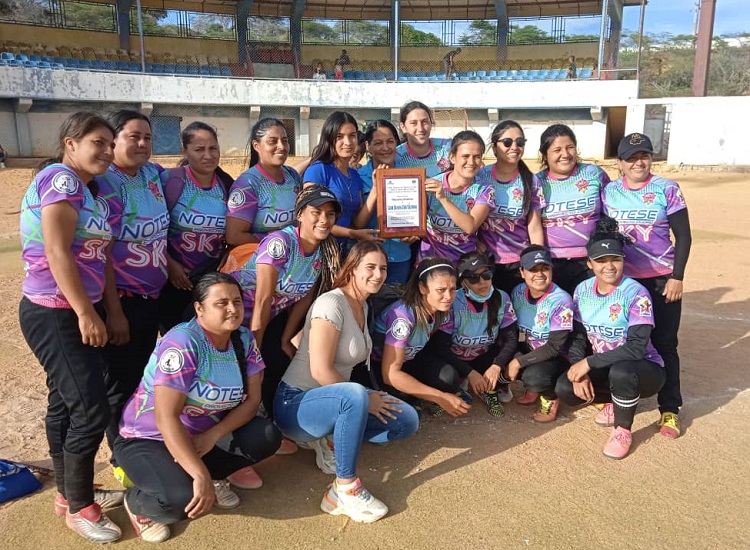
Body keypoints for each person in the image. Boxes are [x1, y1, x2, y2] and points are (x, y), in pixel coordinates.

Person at [19, 112, 124, 543]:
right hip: (56, 310)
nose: (105, 150)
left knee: (65, 402)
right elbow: (58, 252)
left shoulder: (87, 193)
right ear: (70, 143)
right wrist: (85, 312)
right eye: (97, 142)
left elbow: (100, 259)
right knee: (89, 407)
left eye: (108, 143)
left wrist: (108, 309)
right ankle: (80, 507)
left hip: (72, 307)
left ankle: (68, 491)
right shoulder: (61, 180)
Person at [113, 273, 282, 542]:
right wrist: (199, 474)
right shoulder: (183, 343)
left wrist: (212, 436)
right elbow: (165, 416)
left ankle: (207, 476)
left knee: (266, 436)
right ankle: (137, 502)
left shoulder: (242, 339)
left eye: (237, 302)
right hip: (148, 437)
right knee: (179, 501)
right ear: (199, 308)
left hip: (201, 435)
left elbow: (252, 402)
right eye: (222, 303)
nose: (232, 309)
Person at [274, 242, 419, 523]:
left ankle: (330, 437)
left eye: (383, 268)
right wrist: (366, 399)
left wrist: (365, 399)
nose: (378, 274)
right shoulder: (331, 302)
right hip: (296, 403)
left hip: (336, 399)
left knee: (407, 421)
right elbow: (319, 370)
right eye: (370, 267)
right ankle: (344, 490)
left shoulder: (363, 305)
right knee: (356, 395)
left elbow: (299, 339)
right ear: (351, 269)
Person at [95, 110, 170, 486]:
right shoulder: (104, 185)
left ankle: (144, 440)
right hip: (124, 299)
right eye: (133, 137)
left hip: (155, 292)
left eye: (147, 137)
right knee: (120, 383)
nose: (141, 144)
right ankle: (121, 456)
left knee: (146, 375)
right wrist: (113, 311)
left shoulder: (153, 174)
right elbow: (103, 250)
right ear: (113, 141)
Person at [223, 185, 342, 419]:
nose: (324, 220)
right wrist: (254, 350)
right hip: (232, 318)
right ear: (300, 215)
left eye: (330, 214)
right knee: (241, 370)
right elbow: (263, 298)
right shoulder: (280, 243)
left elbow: (305, 296)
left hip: (266, 320)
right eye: (316, 212)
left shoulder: (322, 250)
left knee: (278, 360)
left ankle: (270, 417)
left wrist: (286, 338)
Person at [602, 133, 692, 439]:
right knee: (622, 340)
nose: (639, 162)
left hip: (660, 279)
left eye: (644, 156)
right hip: (624, 282)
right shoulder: (610, 192)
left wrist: (677, 276)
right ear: (620, 164)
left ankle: (669, 408)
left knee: (665, 343)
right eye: (631, 158)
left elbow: (684, 235)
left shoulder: (667, 189)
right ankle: (617, 398)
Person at [555, 217, 665, 459]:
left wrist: (589, 363)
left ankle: (622, 429)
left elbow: (636, 348)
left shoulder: (636, 293)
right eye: (601, 260)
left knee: (623, 372)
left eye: (615, 259)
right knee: (565, 388)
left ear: (623, 260)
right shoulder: (582, 290)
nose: (609, 266)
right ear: (590, 263)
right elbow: (579, 335)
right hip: (607, 364)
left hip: (644, 369)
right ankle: (612, 402)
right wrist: (578, 365)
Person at [159, 122, 234, 332]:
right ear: (185, 150)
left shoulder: (228, 186)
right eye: (199, 149)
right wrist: (170, 263)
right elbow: (152, 228)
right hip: (172, 283)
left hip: (209, 283)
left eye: (213, 148)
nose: (208, 155)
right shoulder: (170, 181)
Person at [374, 258, 470, 417]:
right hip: (381, 367)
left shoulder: (439, 310)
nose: (448, 296)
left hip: (408, 360)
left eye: (452, 289)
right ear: (422, 287)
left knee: (448, 377)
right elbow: (390, 374)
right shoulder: (402, 316)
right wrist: (440, 397)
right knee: (402, 415)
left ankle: (414, 395)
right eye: (441, 290)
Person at [536, 124, 610, 295]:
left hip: (591, 262)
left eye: (570, 147)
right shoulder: (536, 183)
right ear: (545, 155)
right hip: (552, 264)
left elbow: (611, 214)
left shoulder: (594, 174)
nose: (565, 154)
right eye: (557, 150)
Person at [508, 245, 574, 421]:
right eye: (533, 269)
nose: (539, 274)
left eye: (545, 268)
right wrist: (517, 354)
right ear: (522, 272)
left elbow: (554, 347)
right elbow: (519, 329)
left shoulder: (561, 301)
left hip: (557, 357)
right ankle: (533, 389)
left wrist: (519, 362)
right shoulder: (518, 292)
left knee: (534, 376)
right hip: (532, 350)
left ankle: (550, 397)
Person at [478, 120, 545, 294]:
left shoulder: (531, 180)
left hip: (518, 262)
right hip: (485, 261)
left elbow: (534, 225)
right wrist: (476, 241)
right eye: (507, 142)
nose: (514, 147)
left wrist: (537, 261)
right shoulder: (480, 177)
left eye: (520, 142)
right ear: (494, 147)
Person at [448, 252, 519, 417]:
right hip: (455, 359)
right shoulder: (452, 300)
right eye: (473, 278)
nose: (482, 282)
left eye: (486, 275)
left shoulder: (502, 297)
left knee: (517, 359)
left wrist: (497, 365)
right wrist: (468, 372)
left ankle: (492, 388)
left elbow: (511, 339)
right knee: (444, 377)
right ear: (463, 281)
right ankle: (457, 383)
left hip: (484, 356)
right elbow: (439, 344)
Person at [303, 111, 382, 254]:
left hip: (345, 251)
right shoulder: (318, 171)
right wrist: (352, 234)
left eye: (352, 136)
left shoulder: (354, 175)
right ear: (329, 138)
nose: (347, 142)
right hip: (319, 252)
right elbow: (312, 220)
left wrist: (376, 189)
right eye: (339, 137)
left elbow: (358, 223)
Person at [422, 130, 495, 263]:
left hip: (464, 262)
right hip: (431, 260)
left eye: (477, 156)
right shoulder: (432, 184)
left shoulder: (484, 189)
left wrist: (444, 199)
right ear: (452, 157)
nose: (471, 162)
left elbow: (470, 226)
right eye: (465, 156)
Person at [225, 118, 300, 248]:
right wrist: (278, 241)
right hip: (260, 260)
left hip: (292, 258)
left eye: (285, 141)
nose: (281, 146)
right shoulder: (247, 184)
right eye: (273, 141)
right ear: (256, 146)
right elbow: (234, 236)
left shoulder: (292, 176)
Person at [358, 120, 414, 284]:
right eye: (378, 143)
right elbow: (358, 223)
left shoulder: (410, 176)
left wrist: (414, 232)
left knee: (395, 306)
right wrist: (376, 188)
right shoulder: (358, 177)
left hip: (400, 255)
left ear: (397, 143)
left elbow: (418, 214)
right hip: (368, 258)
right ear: (368, 145)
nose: (385, 148)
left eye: (390, 142)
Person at [395, 101, 452, 178]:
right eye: (413, 123)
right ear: (403, 127)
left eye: (424, 122)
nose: (420, 129)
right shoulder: (396, 156)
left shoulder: (447, 147)